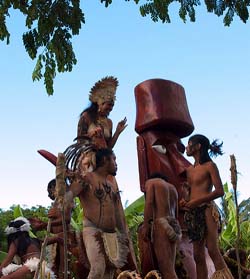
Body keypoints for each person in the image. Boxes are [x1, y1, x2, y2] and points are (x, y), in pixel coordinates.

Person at [65, 148, 133, 279]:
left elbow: (118, 213)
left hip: (111, 234)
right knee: (97, 269)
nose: (116, 164)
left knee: (109, 272)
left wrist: (124, 234)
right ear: (105, 160)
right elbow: (69, 196)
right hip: (92, 230)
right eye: (114, 159)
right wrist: (63, 197)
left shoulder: (111, 185)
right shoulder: (87, 178)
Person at [179, 134, 233, 279]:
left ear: (198, 146)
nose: (186, 147)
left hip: (208, 210)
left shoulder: (210, 166)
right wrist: (186, 200)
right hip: (193, 213)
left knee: (212, 249)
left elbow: (219, 191)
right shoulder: (189, 170)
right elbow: (192, 193)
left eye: (189, 143)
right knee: (197, 255)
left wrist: (197, 201)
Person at [64, 76, 127, 175]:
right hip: (88, 159)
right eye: (108, 105)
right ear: (100, 103)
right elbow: (79, 141)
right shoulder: (87, 116)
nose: (111, 108)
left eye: (112, 105)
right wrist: (92, 135)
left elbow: (108, 147)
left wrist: (117, 132)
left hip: (105, 160)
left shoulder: (109, 122)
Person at [29, 179, 74, 279]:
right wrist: (41, 224)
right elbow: (53, 229)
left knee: (64, 269)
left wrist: (44, 225)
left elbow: (66, 219)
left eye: (50, 191)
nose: (49, 195)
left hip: (64, 236)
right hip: (57, 238)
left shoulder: (66, 199)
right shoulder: (56, 203)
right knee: (54, 269)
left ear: (56, 188)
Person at [141, 174, 182, 279]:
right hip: (174, 225)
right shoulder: (173, 188)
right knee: (171, 268)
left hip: (161, 224)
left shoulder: (151, 182)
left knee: (166, 270)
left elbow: (149, 202)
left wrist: (146, 225)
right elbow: (176, 213)